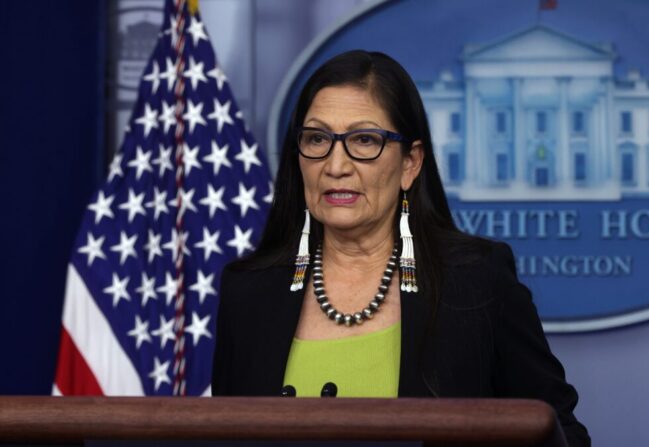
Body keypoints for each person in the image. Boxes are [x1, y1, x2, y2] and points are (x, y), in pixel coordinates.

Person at [212, 50, 590, 446]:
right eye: (317, 139)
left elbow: (561, 432)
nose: (335, 165)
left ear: (410, 163)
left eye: (364, 140)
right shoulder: (248, 292)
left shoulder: (478, 281)